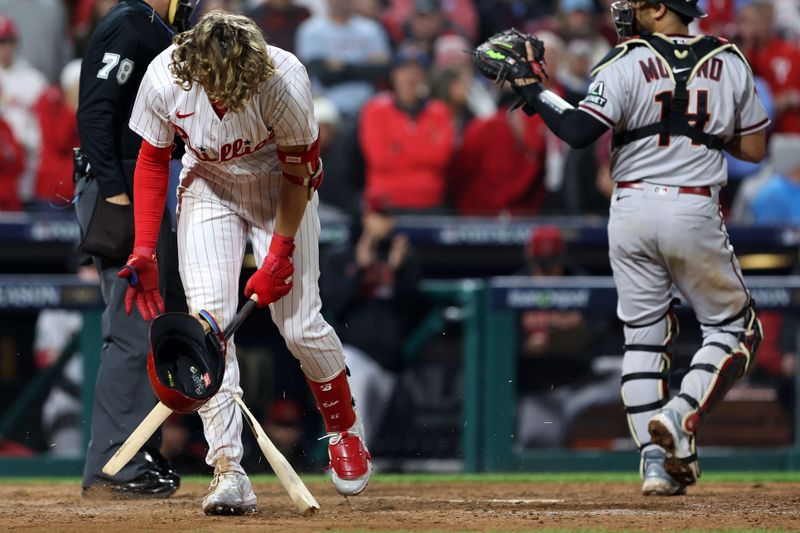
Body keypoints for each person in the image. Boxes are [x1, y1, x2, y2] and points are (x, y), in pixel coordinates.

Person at [475, 0, 768, 495]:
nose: (623, 11)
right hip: (693, 207)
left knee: (645, 339)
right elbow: (755, 150)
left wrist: (533, 91)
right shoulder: (731, 58)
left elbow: (578, 132)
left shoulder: (623, 58)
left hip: (630, 208)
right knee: (736, 330)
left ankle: (656, 463)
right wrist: (699, 131)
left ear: (659, 8)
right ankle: (679, 415)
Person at [121, 11, 373, 515]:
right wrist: (144, 248)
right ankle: (228, 469)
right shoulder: (166, 73)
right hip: (208, 185)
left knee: (299, 325)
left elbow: (300, 172)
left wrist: (277, 253)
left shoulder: (285, 78)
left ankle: (344, 429)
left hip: (278, 185)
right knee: (208, 330)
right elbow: (152, 159)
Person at [74, 0, 195, 498]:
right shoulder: (130, 23)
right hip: (120, 184)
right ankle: (113, 461)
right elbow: (96, 111)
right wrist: (116, 195)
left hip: (138, 182)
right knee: (131, 327)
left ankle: (134, 450)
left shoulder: (151, 26)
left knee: (148, 325)